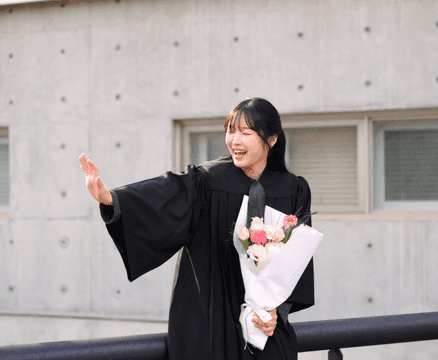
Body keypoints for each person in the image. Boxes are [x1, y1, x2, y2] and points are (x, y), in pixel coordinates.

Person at [79, 97, 314, 360]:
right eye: (230, 130)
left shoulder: (293, 190)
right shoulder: (207, 181)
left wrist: (276, 311)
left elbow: (296, 264)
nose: (234, 140)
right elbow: (164, 195)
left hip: (266, 331)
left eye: (245, 133)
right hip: (211, 321)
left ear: (271, 140)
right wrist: (110, 198)